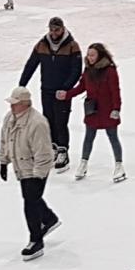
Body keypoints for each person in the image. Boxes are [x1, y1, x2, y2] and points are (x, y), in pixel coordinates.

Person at [0, 86, 59, 262]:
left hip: (35, 168)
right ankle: (49, 218)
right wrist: (3, 161)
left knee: (30, 202)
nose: (11, 107)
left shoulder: (37, 123)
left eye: (15, 104)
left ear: (25, 104)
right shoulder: (10, 118)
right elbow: (5, 140)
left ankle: (35, 240)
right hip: (20, 164)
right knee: (31, 198)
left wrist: (38, 175)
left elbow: (44, 152)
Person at [19, 17, 83, 173]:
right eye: (51, 30)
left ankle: (63, 150)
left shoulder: (72, 46)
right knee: (48, 120)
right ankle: (52, 147)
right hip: (46, 89)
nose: (54, 33)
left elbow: (76, 70)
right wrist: (22, 85)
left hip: (62, 92)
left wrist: (66, 88)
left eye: (57, 30)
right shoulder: (42, 44)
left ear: (62, 29)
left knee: (61, 121)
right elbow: (31, 65)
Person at [57, 43, 126, 183]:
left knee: (113, 137)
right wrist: (67, 94)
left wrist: (116, 109)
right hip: (92, 110)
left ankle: (119, 165)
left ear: (100, 55)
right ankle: (83, 163)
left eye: (92, 55)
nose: (89, 57)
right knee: (89, 137)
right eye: (88, 55)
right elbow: (81, 87)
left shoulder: (110, 71)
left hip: (107, 110)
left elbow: (115, 91)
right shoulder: (88, 70)